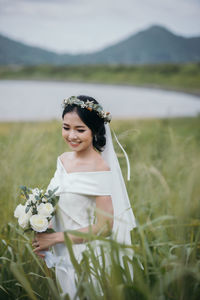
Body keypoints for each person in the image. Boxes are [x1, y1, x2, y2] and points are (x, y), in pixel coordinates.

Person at [32, 95, 136, 297]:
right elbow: (56, 199)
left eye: (80, 130)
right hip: (63, 252)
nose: (71, 136)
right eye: (66, 127)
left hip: (87, 257)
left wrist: (54, 238)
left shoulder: (100, 168)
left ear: (95, 131)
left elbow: (104, 227)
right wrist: (44, 226)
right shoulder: (63, 160)